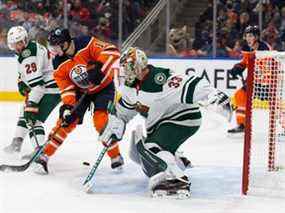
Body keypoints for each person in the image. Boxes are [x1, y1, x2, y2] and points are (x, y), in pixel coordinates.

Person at [98, 47, 232, 198]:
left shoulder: (159, 78)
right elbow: (123, 112)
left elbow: (191, 83)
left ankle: (176, 179)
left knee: (151, 148)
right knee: (137, 154)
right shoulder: (130, 88)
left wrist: (212, 94)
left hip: (182, 118)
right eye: (124, 68)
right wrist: (115, 125)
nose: (126, 72)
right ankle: (174, 158)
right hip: (162, 122)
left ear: (139, 65)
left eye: (128, 67)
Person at [34, 27, 124, 173]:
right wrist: (68, 105)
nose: (53, 51)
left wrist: (99, 67)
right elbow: (66, 87)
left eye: (56, 46)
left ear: (65, 43)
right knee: (66, 121)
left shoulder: (86, 42)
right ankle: (44, 156)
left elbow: (112, 51)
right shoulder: (58, 63)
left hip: (104, 88)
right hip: (80, 91)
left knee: (101, 121)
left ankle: (116, 157)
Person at [3, 26, 61, 156]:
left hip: (49, 90)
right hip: (50, 87)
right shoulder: (32, 47)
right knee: (24, 111)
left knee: (32, 118)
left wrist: (32, 104)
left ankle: (39, 151)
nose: (17, 46)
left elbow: (38, 86)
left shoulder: (28, 55)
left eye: (20, 42)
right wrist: (21, 81)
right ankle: (17, 142)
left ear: (25, 40)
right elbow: (29, 75)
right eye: (14, 44)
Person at [228, 25, 271, 134]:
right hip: (255, 83)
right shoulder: (249, 48)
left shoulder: (264, 49)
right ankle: (242, 124)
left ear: (256, 37)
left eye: (250, 36)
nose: (248, 38)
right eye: (246, 36)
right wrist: (238, 67)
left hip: (269, 83)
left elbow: (266, 69)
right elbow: (245, 61)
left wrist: (255, 81)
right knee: (240, 95)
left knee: (278, 104)